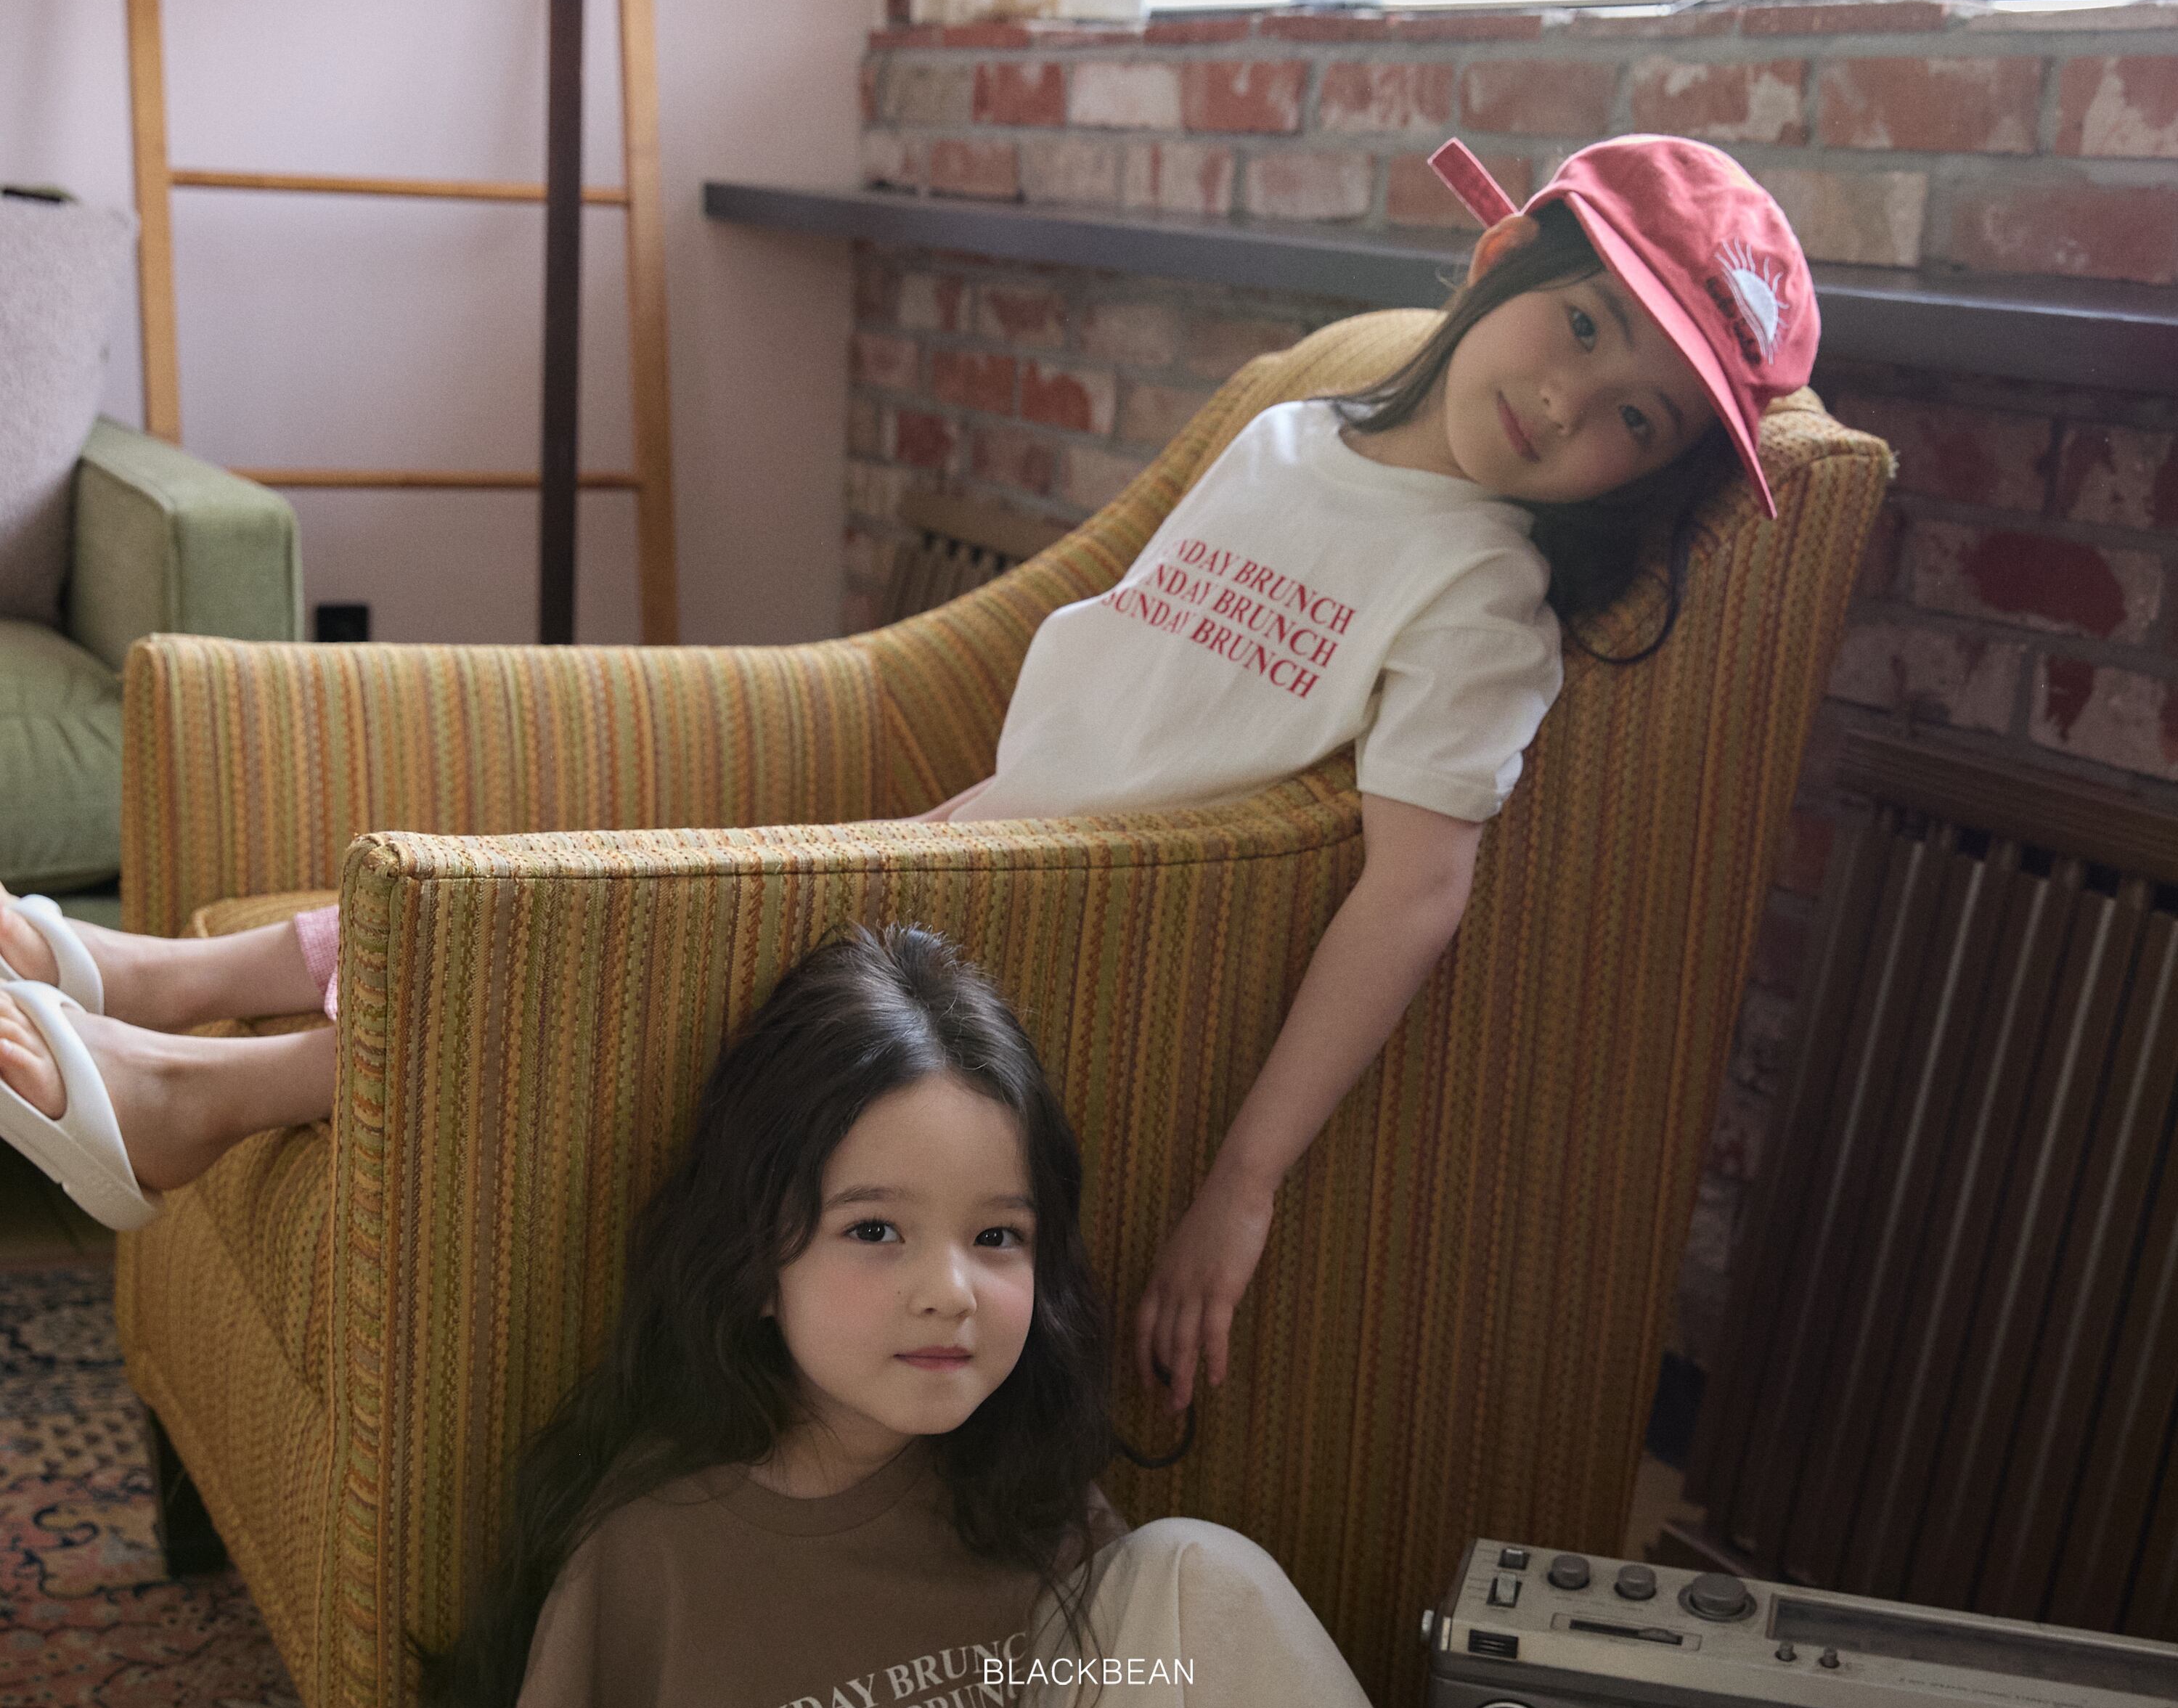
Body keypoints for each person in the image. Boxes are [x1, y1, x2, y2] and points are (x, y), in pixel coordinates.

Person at [0, 134, 1817, 1414]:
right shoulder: (1291, 440)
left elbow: (1417, 889)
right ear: (1504, 266)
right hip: (977, 848)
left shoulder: (1483, 596)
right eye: (1586, 329)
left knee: (600, 941)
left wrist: (1244, 1184)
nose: (1573, 406)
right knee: (594, 856)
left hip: (1043, 944)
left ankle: (203, 1100)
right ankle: (188, 978)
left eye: (1635, 419)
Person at [417, 923, 1480, 1708]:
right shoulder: (650, 1550)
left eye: (997, 1238)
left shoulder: (1008, 1480)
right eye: (876, 1231)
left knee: (1198, 1581)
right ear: (755, 1261)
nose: (951, 1292)